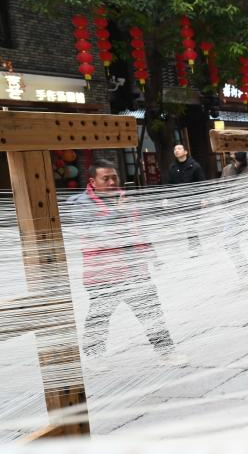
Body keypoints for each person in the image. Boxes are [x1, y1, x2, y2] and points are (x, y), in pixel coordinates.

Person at [68, 160, 185, 367]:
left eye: (115, 177)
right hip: (104, 272)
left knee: (151, 312)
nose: (112, 183)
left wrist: (151, 254)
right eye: (106, 179)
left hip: (135, 268)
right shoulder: (80, 204)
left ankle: (166, 352)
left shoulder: (123, 198)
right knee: (99, 317)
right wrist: (117, 213)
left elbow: (137, 229)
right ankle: (94, 356)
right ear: (93, 182)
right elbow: (93, 233)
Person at [219, 152, 248, 285]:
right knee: (229, 243)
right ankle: (244, 271)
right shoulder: (227, 170)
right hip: (233, 213)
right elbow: (222, 189)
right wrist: (226, 205)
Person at [167, 144, 206, 255]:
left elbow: (202, 182)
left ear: (185, 152)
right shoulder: (172, 167)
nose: (176, 150)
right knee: (188, 224)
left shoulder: (195, 166)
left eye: (179, 148)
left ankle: (194, 248)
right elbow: (170, 184)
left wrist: (203, 198)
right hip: (181, 201)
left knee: (190, 223)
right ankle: (195, 246)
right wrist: (167, 198)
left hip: (194, 200)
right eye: (175, 149)